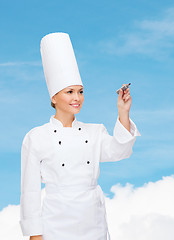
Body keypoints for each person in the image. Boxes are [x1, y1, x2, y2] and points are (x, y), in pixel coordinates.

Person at [19, 32, 141, 240]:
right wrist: (35, 235)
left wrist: (123, 112)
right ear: (53, 97)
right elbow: (29, 191)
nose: (77, 98)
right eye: (69, 92)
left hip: (93, 221)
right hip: (55, 224)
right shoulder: (36, 137)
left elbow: (121, 151)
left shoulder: (94, 132)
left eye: (80, 91)